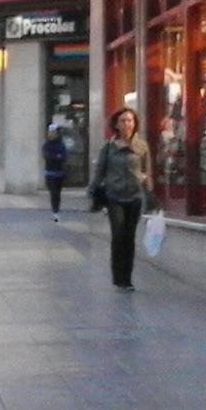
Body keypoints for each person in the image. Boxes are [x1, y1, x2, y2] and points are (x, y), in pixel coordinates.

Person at [89, 107, 153, 292]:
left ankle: (128, 278)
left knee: (129, 237)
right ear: (116, 125)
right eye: (123, 120)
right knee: (118, 236)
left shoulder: (141, 146)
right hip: (114, 196)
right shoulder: (109, 147)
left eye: (130, 120)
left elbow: (147, 171)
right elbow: (100, 170)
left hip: (134, 196)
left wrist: (149, 191)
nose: (127, 124)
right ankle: (119, 278)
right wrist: (92, 190)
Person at [43, 124, 68, 222]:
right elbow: (47, 157)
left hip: (59, 173)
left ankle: (57, 210)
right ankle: (55, 212)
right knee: (53, 193)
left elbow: (63, 157)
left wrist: (56, 157)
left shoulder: (61, 144)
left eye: (55, 132)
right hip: (50, 173)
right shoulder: (46, 145)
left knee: (57, 193)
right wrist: (56, 156)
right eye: (51, 132)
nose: (53, 134)